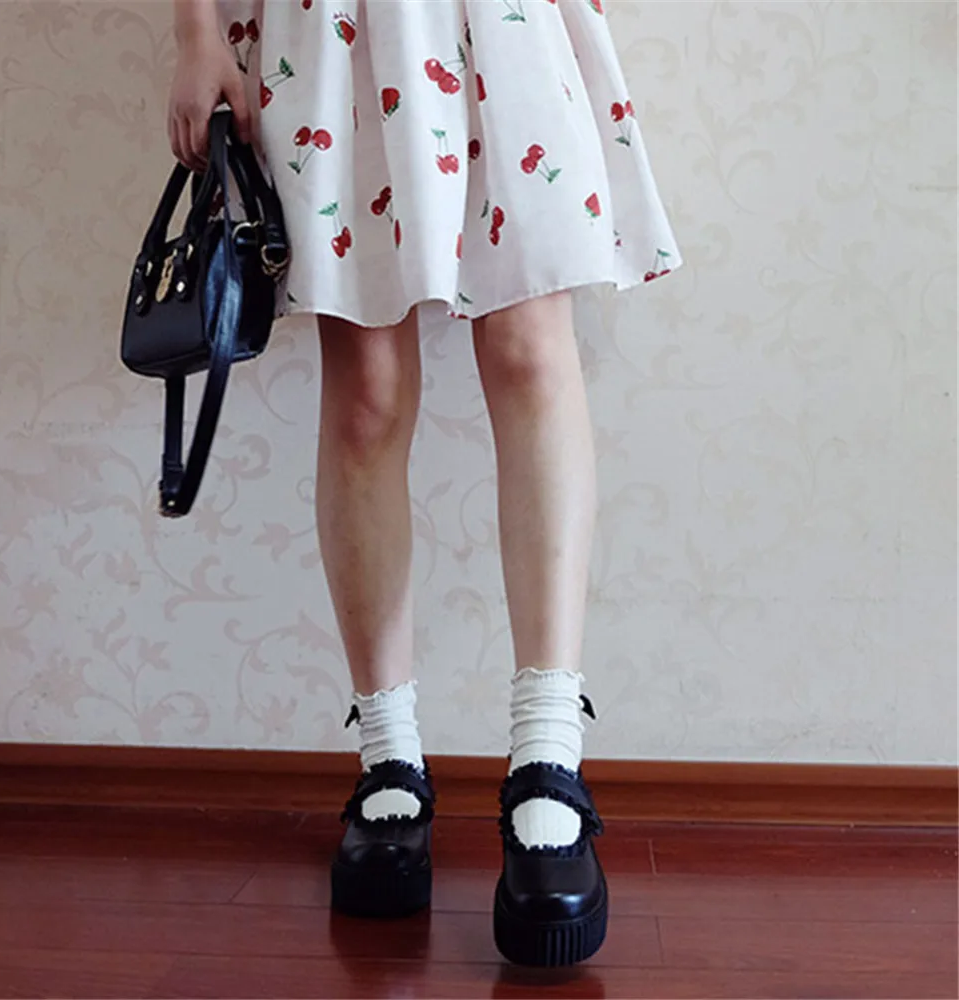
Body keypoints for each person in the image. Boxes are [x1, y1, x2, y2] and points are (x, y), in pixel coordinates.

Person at [168, 0, 680, 967]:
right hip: (331, 28)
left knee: (530, 349)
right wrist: (196, 36)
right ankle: (388, 756)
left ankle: (548, 759)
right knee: (366, 390)